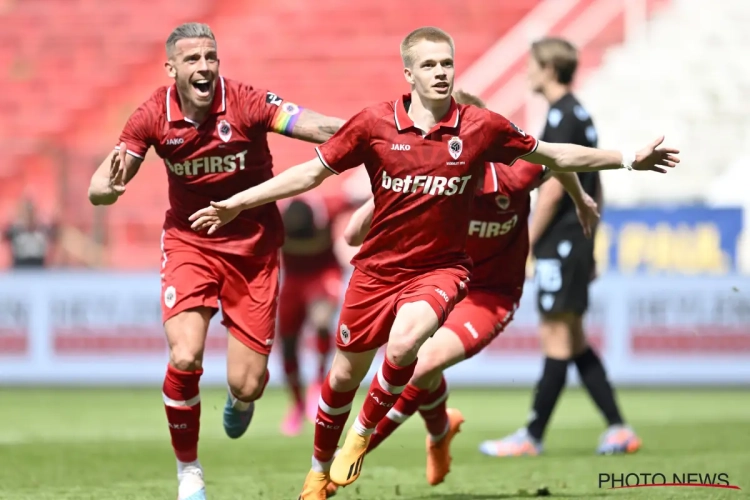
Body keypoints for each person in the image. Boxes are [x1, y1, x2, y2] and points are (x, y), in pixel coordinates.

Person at [187, 26, 678, 499]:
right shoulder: (375, 125)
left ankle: (360, 439)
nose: (441, 72)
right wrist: (239, 203)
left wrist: (628, 160)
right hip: (378, 272)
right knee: (341, 380)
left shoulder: (483, 132)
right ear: (409, 73)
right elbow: (311, 175)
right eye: (429, 64)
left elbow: (554, 156)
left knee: (409, 349)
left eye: (447, 63)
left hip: (450, 275)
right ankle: (330, 469)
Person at [86, 22, 345, 500]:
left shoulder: (245, 101)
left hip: (254, 252)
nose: (204, 66)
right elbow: (100, 186)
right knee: (184, 354)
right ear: (172, 69)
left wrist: (370, 135)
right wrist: (107, 187)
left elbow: (313, 125)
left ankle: (240, 398)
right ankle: (189, 473)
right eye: (192, 59)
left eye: (210, 57)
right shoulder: (152, 114)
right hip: (191, 244)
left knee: (247, 386)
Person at [330, 89, 600, 492]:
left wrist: (580, 199)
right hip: (440, 282)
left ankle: (347, 462)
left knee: (420, 364)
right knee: (414, 359)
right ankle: (440, 430)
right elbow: (352, 235)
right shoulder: (424, 176)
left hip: (491, 294)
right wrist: (379, 200)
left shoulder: (516, 174)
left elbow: (556, 162)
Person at [479, 37, 641, 458]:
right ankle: (618, 428)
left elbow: (551, 189)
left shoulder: (560, 116)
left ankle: (531, 435)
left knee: (556, 337)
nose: (526, 71)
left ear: (549, 68)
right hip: (576, 241)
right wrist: (593, 237)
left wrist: (524, 245)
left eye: (532, 64)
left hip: (560, 241)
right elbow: (596, 180)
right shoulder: (579, 113)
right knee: (573, 338)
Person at [276, 192, 350, 436]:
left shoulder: (329, 206)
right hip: (293, 280)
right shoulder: (274, 216)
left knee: (321, 321)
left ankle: (318, 382)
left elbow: (364, 199)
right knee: (287, 343)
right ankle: (296, 404)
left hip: (323, 273)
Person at [3, 198, 57, 269]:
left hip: (39, 268)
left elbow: (56, 236)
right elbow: (4, 236)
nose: (29, 216)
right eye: (26, 213)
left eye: (31, 213)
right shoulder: (15, 230)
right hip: (19, 269)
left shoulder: (43, 230)